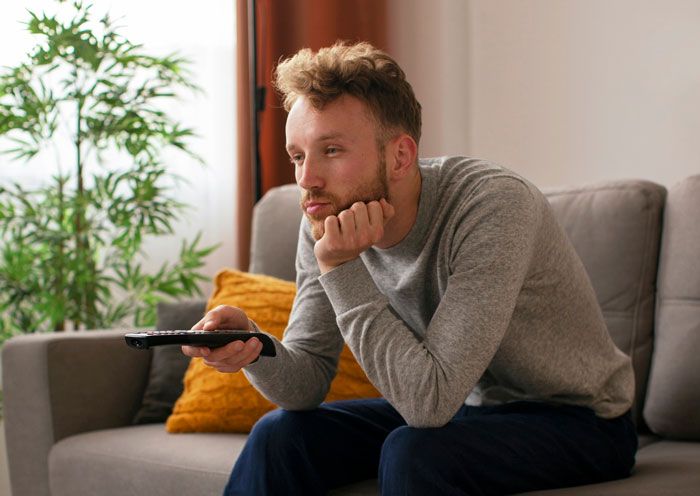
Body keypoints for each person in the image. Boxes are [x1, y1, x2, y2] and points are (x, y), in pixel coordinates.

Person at [183, 41, 637, 496]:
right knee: (278, 436)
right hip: (466, 409)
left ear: (400, 156)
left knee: (413, 449)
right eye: (298, 156)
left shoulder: (493, 205)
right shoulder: (324, 217)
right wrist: (255, 347)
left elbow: (428, 405)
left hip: (581, 418)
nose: (306, 179)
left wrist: (341, 267)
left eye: (332, 150)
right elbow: (306, 384)